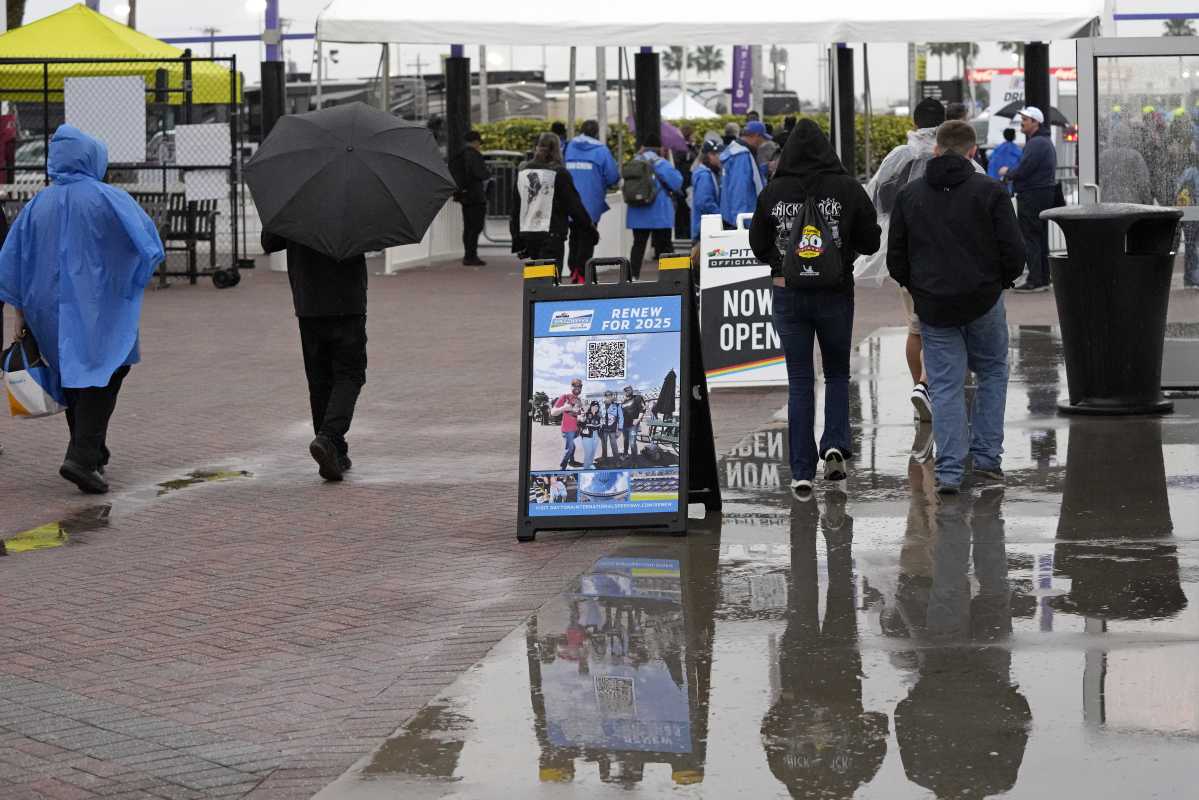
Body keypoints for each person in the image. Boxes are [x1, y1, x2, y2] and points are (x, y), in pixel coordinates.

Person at [0, 125, 164, 494]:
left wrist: (21, 314)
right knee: (108, 368)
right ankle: (83, 456)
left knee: (72, 374)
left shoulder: (36, 205)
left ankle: (91, 448)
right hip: (98, 304)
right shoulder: (108, 198)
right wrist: (130, 276)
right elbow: (147, 243)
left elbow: (11, 263)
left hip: (45, 307)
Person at [887, 120, 1024, 494]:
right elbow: (1014, 251)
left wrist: (918, 288)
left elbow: (896, 257)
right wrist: (999, 283)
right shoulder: (990, 191)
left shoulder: (910, 195)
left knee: (945, 386)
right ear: (973, 152)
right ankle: (987, 462)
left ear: (935, 150)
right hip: (983, 301)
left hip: (934, 307)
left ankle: (948, 473)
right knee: (992, 374)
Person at [748, 120, 881, 493]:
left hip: (788, 294)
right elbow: (871, 241)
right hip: (836, 292)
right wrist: (843, 251)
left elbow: (757, 243)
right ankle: (835, 444)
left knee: (800, 381)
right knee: (837, 373)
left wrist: (782, 261)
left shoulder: (774, 192)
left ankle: (802, 470)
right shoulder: (847, 188)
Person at [857, 97, 946, 424]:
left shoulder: (899, 157)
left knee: (916, 327)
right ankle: (927, 385)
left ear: (913, 122)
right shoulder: (949, 153)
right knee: (946, 325)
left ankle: (918, 387)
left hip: (908, 254)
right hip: (945, 255)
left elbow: (875, 198)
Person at [262, 226, 369, 482]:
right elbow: (373, 238)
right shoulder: (355, 198)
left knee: (319, 379)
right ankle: (329, 437)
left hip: (308, 301)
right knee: (350, 374)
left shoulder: (295, 199)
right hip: (347, 301)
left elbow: (270, 241)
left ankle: (336, 450)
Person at [510, 133, 595, 272]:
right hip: (551, 233)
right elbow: (574, 206)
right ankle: (545, 294)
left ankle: (538, 294)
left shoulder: (524, 172)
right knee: (550, 281)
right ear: (558, 149)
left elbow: (516, 208)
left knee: (537, 279)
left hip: (530, 234)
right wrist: (590, 229)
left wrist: (517, 238)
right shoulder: (559, 173)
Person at [999, 107, 1057, 292]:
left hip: (1032, 195)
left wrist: (1007, 173)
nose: (1021, 122)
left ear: (1035, 122)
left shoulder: (1036, 143)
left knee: (1031, 238)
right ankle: (1042, 278)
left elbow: (1025, 169)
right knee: (1039, 238)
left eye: (1025, 119)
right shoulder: (1043, 142)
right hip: (1041, 194)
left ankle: (1034, 280)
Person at [564, 120, 620, 283]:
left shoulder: (568, 147)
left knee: (574, 235)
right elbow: (612, 177)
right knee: (588, 237)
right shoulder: (601, 151)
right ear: (596, 133)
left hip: (570, 201)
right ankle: (583, 271)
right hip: (592, 203)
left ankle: (573, 268)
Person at [625, 132, 683, 280]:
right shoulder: (660, 163)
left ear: (643, 147)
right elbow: (677, 182)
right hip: (659, 212)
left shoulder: (634, 161)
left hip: (637, 211)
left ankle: (632, 277)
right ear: (660, 148)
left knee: (638, 245)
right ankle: (671, 277)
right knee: (665, 246)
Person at [449, 129, 491, 266]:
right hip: (476, 195)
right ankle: (471, 256)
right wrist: (487, 173)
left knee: (468, 227)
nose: (479, 146)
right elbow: (481, 173)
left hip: (464, 196)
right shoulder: (474, 155)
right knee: (476, 227)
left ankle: (468, 254)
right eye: (479, 143)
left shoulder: (460, 155)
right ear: (475, 142)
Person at [720, 119, 770, 227]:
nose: (762, 143)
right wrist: (740, 222)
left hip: (733, 218)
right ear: (756, 136)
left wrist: (765, 168)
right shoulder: (741, 155)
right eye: (762, 139)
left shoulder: (735, 151)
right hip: (741, 220)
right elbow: (739, 189)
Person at [690, 139, 722, 241]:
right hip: (703, 230)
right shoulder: (704, 175)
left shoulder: (706, 173)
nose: (721, 158)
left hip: (702, 228)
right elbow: (704, 202)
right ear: (710, 155)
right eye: (718, 154)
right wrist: (721, 215)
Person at [550, 378, 584, 470]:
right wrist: (563, 408)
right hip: (567, 430)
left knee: (573, 447)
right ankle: (562, 467)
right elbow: (553, 412)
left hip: (576, 429)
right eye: (575, 385)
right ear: (571, 386)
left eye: (579, 386)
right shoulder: (565, 397)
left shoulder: (579, 400)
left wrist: (580, 417)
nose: (577, 387)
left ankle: (572, 462)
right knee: (569, 448)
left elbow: (579, 414)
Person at [987, 128, 1022, 194]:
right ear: (1014, 136)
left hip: (995, 182)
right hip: (1010, 184)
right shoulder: (1017, 149)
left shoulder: (998, 148)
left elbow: (990, 158)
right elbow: (1022, 162)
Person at [620, 385, 645, 460]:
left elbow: (642, 409)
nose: (627, 391)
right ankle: (625, 454)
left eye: (628, 389)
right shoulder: (623, 402)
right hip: (625, 425)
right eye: (625, 390)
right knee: (625, 441)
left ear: (631, 390)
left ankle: (634, 460)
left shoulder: (637, 397)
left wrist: (638, 419)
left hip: (633, 425)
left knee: (632, 443)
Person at [578, 400, 603, 469]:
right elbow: (580, 424)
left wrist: (601, 425)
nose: (595, 407)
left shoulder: (599, 415)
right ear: (591, 406)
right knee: (588, 452)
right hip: (587, 435)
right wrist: (582, 421)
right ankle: (586, 467)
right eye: (594, 406)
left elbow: (600, 425)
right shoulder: (586, 414)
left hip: (596, 435)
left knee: (593, 451)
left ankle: (590, 464)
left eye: (597, 406)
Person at [600, 390, 624, 462]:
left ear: (611, 396)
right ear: (604, 397)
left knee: (614, 445)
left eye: (609, 395)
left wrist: (620, 429)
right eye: (606, 395)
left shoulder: (617, 405)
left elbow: (621, 417)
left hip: (612, 430)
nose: (608, 397)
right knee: (603, 444)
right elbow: (599, 416)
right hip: (603, 429)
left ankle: (616, 460)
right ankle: (604, 457)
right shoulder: (601, 405)